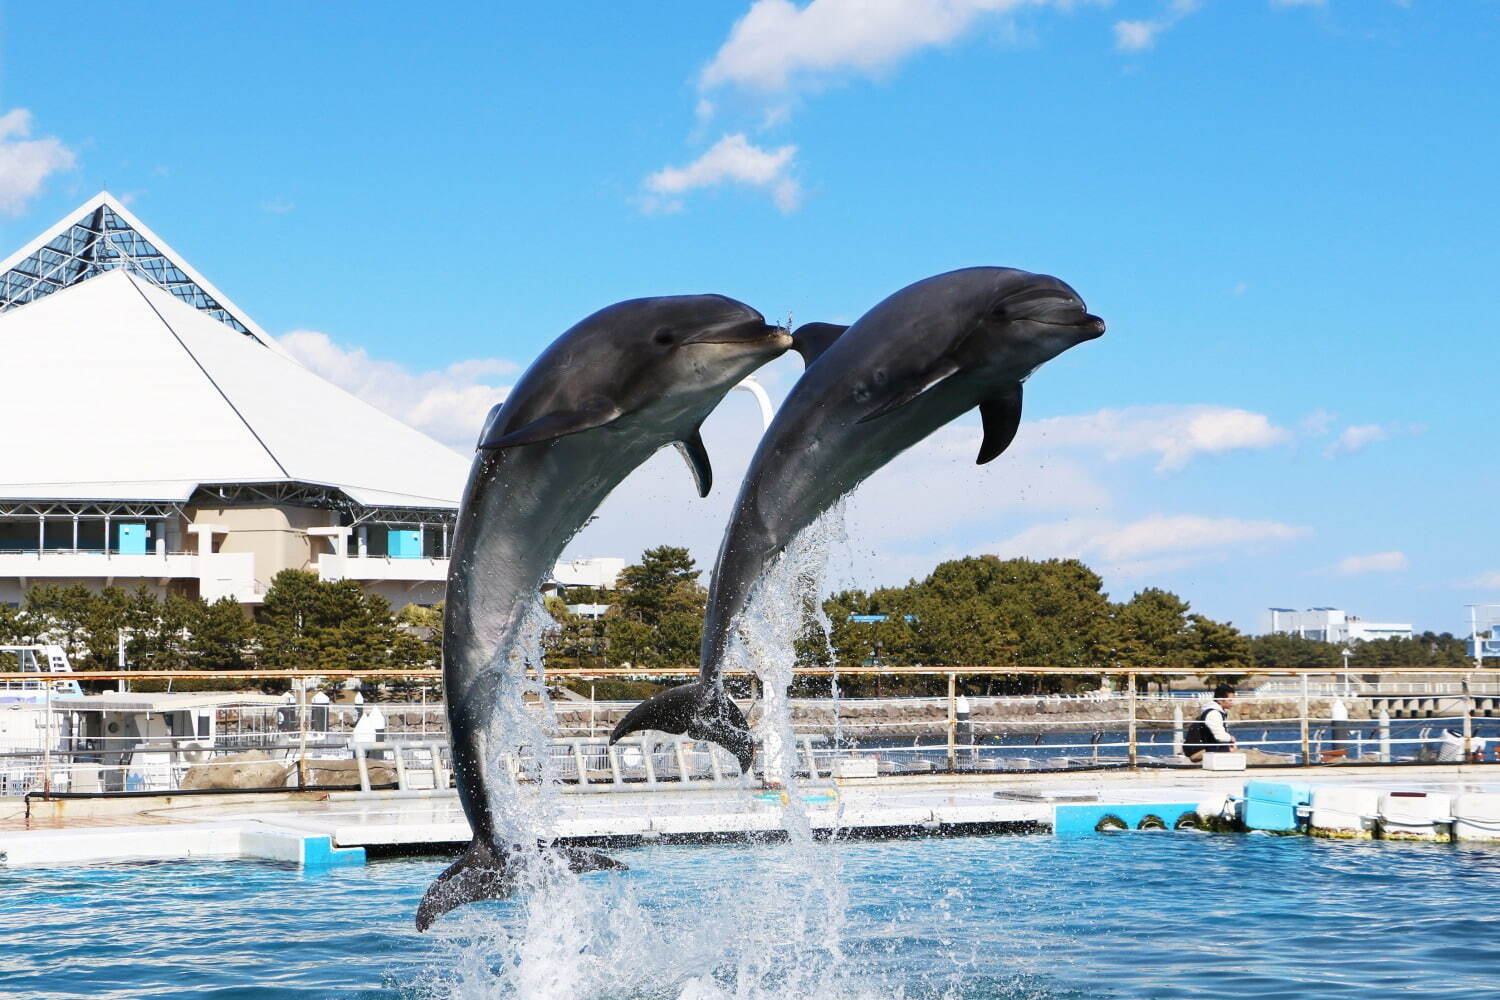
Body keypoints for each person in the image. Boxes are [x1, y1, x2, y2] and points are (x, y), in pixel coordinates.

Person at [1184, 683, 1237, 761]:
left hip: (1207, 747)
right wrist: (1231, 739)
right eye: (1230, 700)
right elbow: (1220, 737)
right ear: (1220, 700)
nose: (1232, 702)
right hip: (1200, 751)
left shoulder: (1215, 711)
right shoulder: (1213, 713)